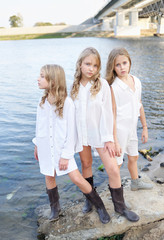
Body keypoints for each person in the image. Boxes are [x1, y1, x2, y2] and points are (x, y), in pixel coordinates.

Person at [33, 64, 111, 224]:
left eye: (41, 76)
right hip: (46, 147)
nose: (38, 79)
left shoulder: (67, 103)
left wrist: (66, 155)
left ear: (53, 80)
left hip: (63, 150)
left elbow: (72, 133)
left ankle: (100, 206)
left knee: (76, 177)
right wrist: (36, 145)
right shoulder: (42, 102)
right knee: (49, 175)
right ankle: (55, 209)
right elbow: (39, 126)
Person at [71, 47, 139, 222]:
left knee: (113, 169)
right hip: (81, 134)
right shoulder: (74, 87)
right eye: (87, 64)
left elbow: (109, 113)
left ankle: (120, 207)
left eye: (95, 65)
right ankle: (91, 201)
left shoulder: (102, 85)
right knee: (86, 165)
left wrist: (110, 139)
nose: (91, 68)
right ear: (80, 64)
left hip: (100, 135)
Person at [105, 47, 153, 191]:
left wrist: (144, 127)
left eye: (124, 63)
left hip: (132, 128)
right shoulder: (114, 87)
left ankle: (135, 183)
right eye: (117, 65)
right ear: (113, 67)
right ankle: (115, 190)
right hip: (119, 130)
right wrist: (115, 140)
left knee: (134, 156)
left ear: (129, 62)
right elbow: (111, 114)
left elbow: (139, 105)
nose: (122, 67)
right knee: (117, 164)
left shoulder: (136, 81)